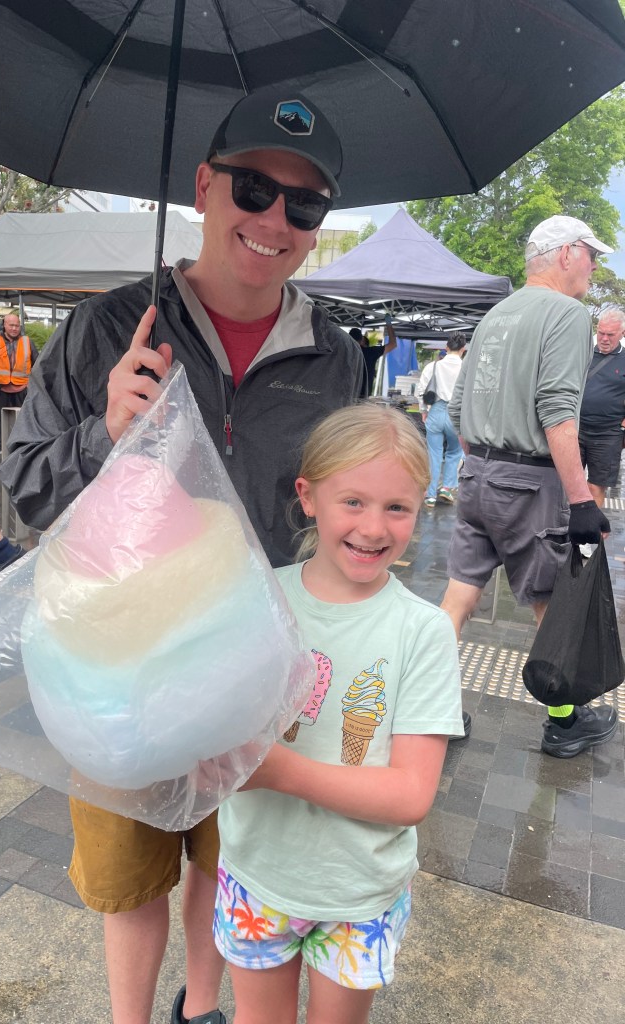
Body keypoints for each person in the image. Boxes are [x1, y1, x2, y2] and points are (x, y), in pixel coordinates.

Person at [0, 88, 367, 1024]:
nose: (274, 221)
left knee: (228, 859)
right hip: (116, 666)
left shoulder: (336, 356)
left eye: (304, 204)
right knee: (129, 876)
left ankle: (200, 1009)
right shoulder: (108, 328)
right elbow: (28, 485)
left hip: (259, 670)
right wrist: (103, 433)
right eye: (253, 189)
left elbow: (341, 508)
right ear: (205, 186)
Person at [214, 403, 463, 1024]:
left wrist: (278, 771)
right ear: (308, 497)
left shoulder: (423, 631)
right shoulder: (260, 600)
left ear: (422, 505)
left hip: (359, 893)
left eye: (397, 507)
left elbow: (411, 794)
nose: (373, 528)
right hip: (256, 871)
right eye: (353, 502)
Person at [442, 214, 618, 760]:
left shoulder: (495, 314)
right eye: (591, 254)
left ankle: (431, 707)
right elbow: (557, 409)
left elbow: (457, 408)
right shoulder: (567, 314)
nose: (594, 266)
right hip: (530, 484)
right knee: (551, 602)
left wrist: (486, 463)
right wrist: (582, 499)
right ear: (565, 253)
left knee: (456, 599)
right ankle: (564, 722)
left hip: (476, 477)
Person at [578, 308, 625, 529]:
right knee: (564, 480)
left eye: (610, 335)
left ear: (622, 333)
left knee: (595, 485)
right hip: (575, 428)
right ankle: (563, 525)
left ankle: (588, 531)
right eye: (601, 333)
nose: (604, 339)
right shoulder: (583, 354)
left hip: (607, 434)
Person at [417, 333, 467, 508]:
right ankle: (446, 487)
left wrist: (423, 411)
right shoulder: (466, 367)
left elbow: (421, 390)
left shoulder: (433, 366)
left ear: (446, 347)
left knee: (434, 454)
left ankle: (430, 496)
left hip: (436, 411)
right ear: (463, 349)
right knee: (455, 451)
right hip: (457, 413)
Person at [0, 312, 38, 457]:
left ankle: (20, 446)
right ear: (4, 325)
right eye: (11, 325)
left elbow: (37, 364)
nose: (14, 328)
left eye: (17, 326)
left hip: (22, 387)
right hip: (0, 387)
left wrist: (32, 384)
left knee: (23, 418)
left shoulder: (27, 342)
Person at [348, 315, 397, 394]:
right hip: (363, 396)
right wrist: (389, 324)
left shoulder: (344, 352)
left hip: (345, 395)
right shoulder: (370, 352)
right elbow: (393, 344)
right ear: (361, 340)